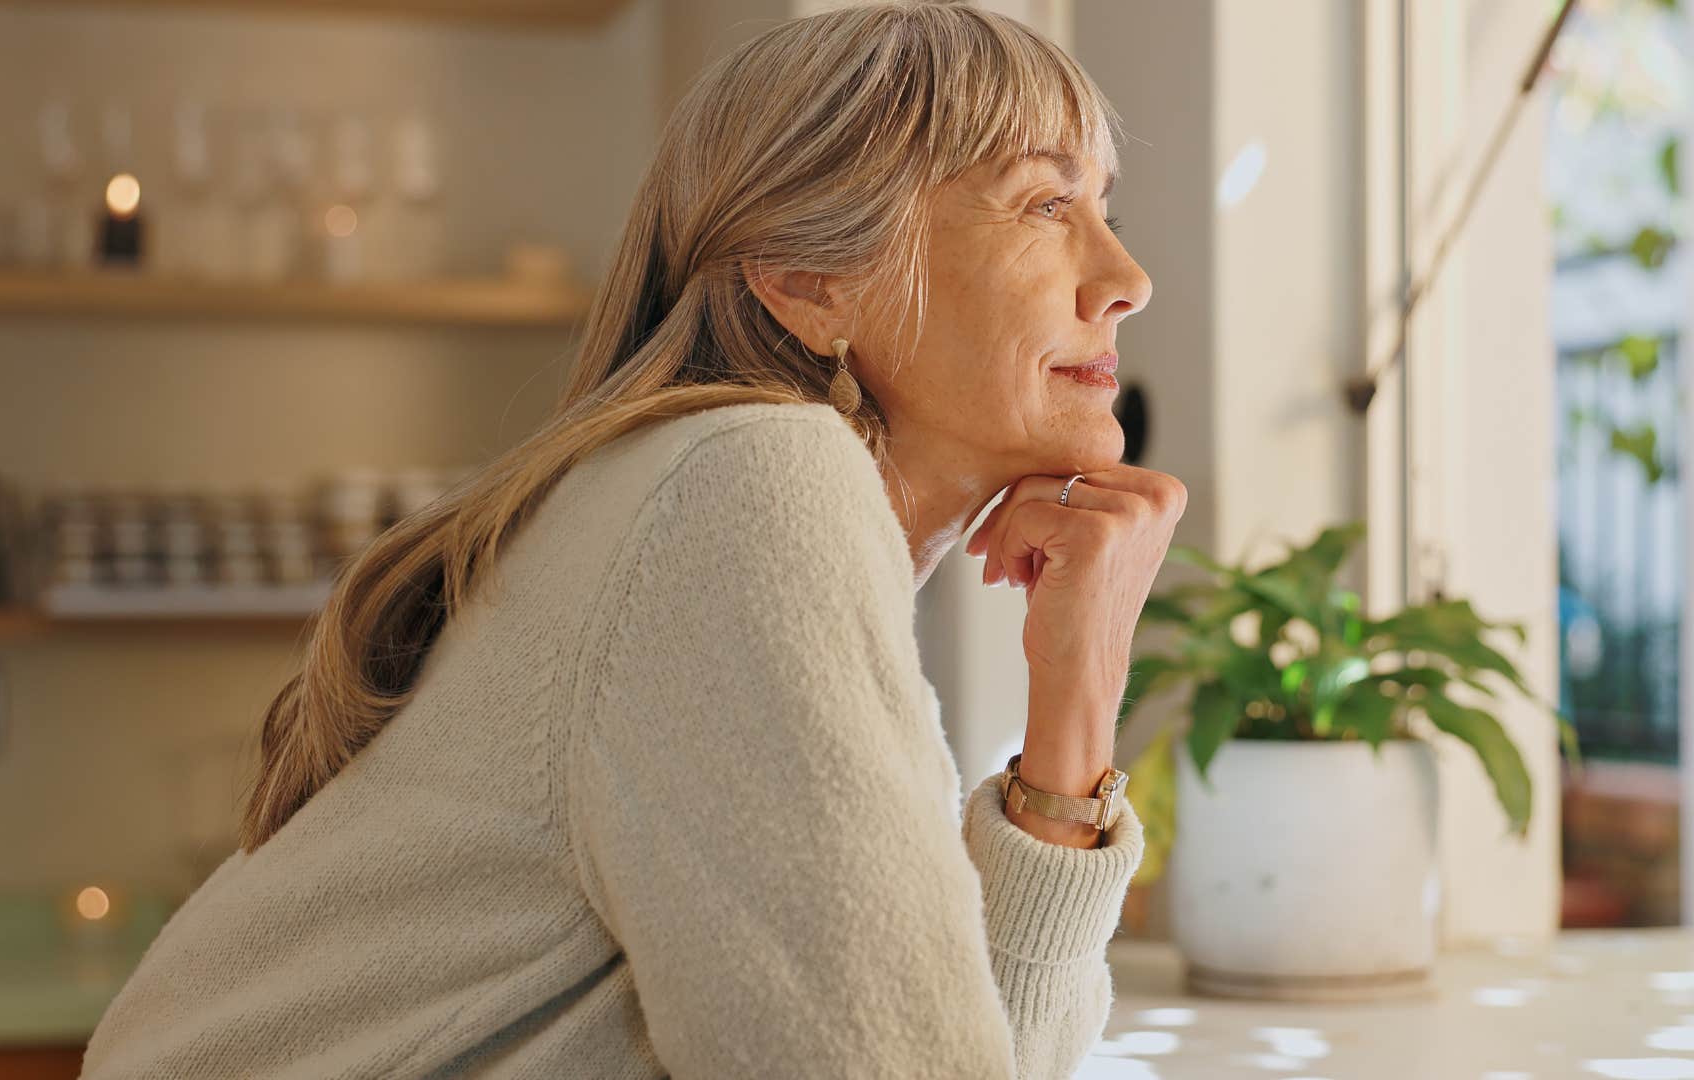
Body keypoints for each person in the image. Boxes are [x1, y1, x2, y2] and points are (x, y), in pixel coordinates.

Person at [80, 2, 1184, 1077]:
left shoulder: (724, 500)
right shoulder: (747, 480)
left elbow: (983, 1051)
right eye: (1045, 206)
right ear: (812, 282)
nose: (1126, 282)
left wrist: (1077, 685)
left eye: (1107, 214)